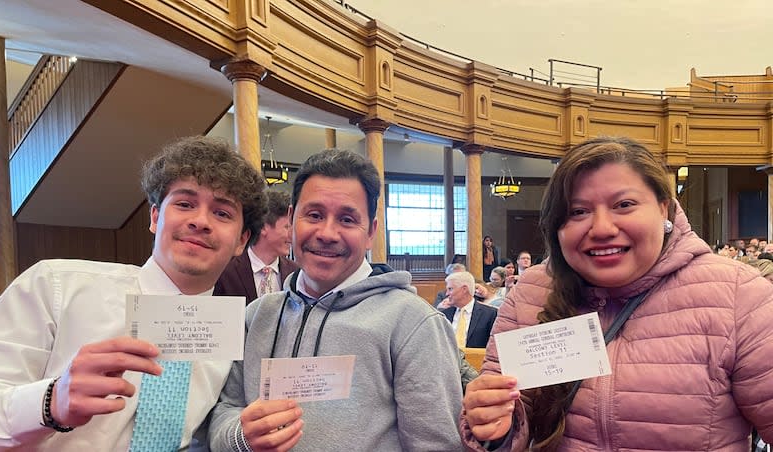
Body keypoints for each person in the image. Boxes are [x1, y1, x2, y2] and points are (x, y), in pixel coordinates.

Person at [460, 137, 773, 451]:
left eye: (624, 205)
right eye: (578, 211)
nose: (602, 228)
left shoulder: (738, 296)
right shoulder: (533, 292)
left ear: (664, 207)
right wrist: (493, 427)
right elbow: (512, 415)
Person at [0, 136, 267, 451]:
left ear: (241, 240)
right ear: (155, 217)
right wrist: (50, 402)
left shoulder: (231, 336)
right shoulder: (57, 286)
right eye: (185, 204)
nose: (200, 221)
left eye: (222, 213)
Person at [208, 149, 462, 451]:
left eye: (346, 219)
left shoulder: (413, 323)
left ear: (371, 232)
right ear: (291, 220)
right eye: (314, 215)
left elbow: (437, 445)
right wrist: (241, 437)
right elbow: (225, 411)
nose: (327, 233)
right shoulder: (257, 315)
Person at [214, 190, 298, 302]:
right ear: (263, 227)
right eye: (287, 227)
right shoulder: (225, 271)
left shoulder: (295, 273)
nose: (292, 235)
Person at [440, 271, 498, 348]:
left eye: (450, 289)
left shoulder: (490, 314)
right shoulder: (444, 315)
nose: (447, 294)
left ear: (464, 289)